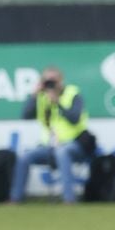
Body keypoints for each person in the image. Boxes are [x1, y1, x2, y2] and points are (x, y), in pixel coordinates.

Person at [12, 67, 99, 204]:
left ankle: (69, 199)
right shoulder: (41, 97)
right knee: (24, 156)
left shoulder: (73, 94)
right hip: (49, 146)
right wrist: (34, 95)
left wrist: (57, 102)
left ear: (61, 80)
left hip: (75, 144)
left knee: (62, 152)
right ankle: (15, 198)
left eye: (53, 80)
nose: (50, 84)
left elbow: (75, 118)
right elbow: (25, 115)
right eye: (47, 81)